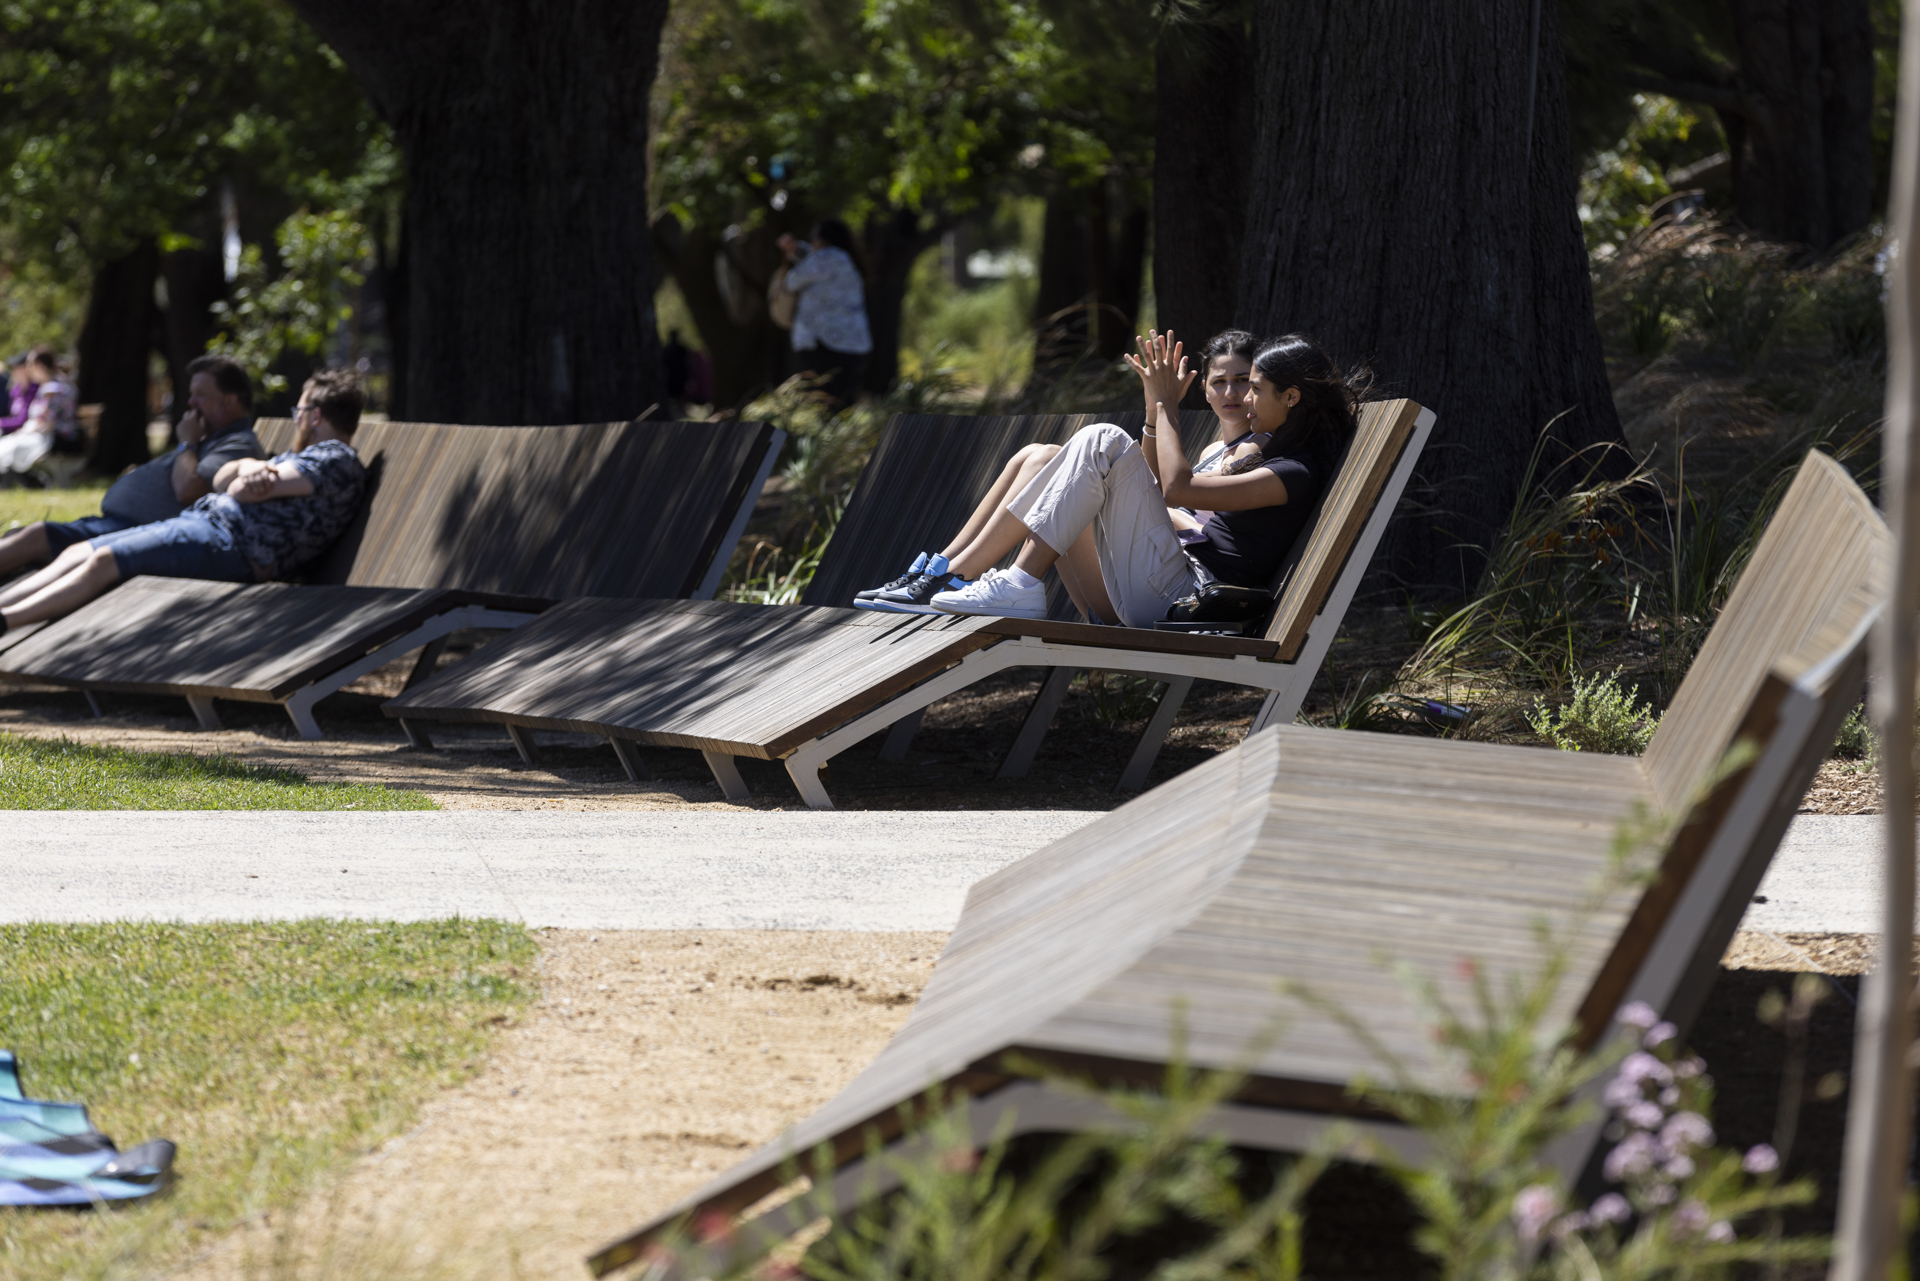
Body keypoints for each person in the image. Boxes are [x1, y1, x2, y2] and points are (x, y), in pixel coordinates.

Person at [855, 329, 1358, 627]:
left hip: (1181, 595)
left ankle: (1015, 582)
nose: (1243, 398)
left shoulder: (1291, 471)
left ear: (1290, 398)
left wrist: (1166, 404)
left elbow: (1176, 491)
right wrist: (1154, 409)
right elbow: (1161, 488)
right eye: (1228, 385)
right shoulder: (1273, 460)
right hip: (1161, 579)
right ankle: (955, 575)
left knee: (1099, 440)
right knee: (1053, 456)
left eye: (1255, 388)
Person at [0, 369, 368, 635]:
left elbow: (237, 490)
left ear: (315, 416)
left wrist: (247, 473)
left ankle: (7, 622)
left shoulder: (336, 459)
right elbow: (230, 479)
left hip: (233, 546)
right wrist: (251, 467)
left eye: (299, 413)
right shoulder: (301, 459)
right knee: (79, 552)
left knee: (104, 560)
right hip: (208, 527)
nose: (296, 420)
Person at [0, 353, 267, 578]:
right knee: (20, 536)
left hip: (135, 533)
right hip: (119, 524)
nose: (191, 402)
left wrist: (187, 443)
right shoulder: (210, 437)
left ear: (231, 400)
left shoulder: (237, 443)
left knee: (35, 537)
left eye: (201, 395)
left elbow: (188, 490)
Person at [775, 218, 872, 408]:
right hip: (853, 347)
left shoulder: (826, 257)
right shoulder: (845, 259)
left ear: (824, 240)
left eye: (813, 238)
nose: (812, 242)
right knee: (843, 405)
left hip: (826, 344)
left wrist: (790, 254)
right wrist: (796, 249)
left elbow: (792, 280)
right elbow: (810, 260)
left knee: (822, 406)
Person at [0, 347, 79, 475]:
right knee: (6, 444)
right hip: (47, 436)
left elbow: (48, 423)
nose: (28, 369)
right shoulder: (48, 386)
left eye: (30, 364)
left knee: (12, 446)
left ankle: (32, 482)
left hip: (58, 439)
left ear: (39, 365)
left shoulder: (54, 389)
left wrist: (24, 431)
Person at [1, 354, 32, 435]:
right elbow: (8, 414)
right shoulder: (16, 390)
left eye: (15, 368)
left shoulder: (33, 390)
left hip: (24, 434)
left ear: (25, 369)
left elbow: (23, 420)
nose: (12, 371)